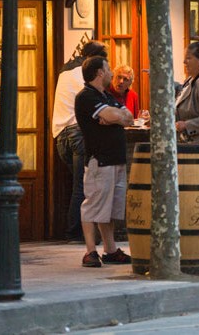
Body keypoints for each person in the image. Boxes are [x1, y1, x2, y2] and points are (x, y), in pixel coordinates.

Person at [75, 55, 134, 267]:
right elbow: (116, 116)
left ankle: (110, 249)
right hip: (99, 160)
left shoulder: (106, 96)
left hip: (116, 160)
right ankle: (90, 251)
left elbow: (127, 117)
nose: (111, 73)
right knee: (93, 205)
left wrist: (114, 116)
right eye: (108, 69)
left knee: (109, 208)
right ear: (99, 73)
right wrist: (114, 116)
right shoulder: (86, 97)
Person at [52, 40, 107, 242]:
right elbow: (99, 98)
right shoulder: (83, 75)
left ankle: (78, 230)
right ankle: (76, 233)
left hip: (60, 134)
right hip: (77, 133)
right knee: (82, 186)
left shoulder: (66, 72)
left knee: (79, 185)